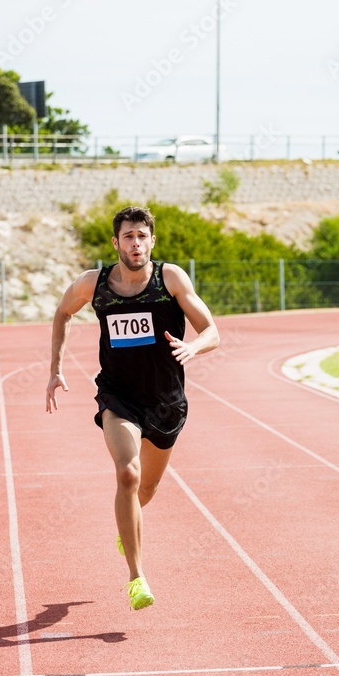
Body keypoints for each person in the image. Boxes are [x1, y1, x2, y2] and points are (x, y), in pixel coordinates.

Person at [46, 205, 220, 610]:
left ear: (152, 241)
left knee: (147, 488)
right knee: (128, 473)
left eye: (142, 236)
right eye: (128, 236)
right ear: (115, 242)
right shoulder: (95, 284)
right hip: (118, 397)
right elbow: (62, 313)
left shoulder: (170, 278)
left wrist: (193, 345)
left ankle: (129, 523)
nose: (135, 243)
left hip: (166, 402)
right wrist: (54, 369)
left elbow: (211, 330)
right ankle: (136, 576)